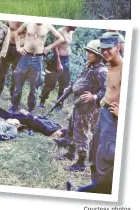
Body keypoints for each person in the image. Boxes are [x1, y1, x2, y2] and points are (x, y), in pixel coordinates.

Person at [53, 40, 108, 172]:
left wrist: (94, 97)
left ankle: (81, 163)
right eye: (88, 51)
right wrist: (71, 87)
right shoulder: (89, 66)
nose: (87, 54)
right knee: (72, 129)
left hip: (87, 108)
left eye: (91, 52)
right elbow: (81, 80)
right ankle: (70, 153)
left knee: (81, 134)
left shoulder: (102, 71)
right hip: (79, 104)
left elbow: (107, 90)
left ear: (99, 55)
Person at [88, 33, 123, 194]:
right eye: (103, 49)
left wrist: (122, 112)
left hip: (113, 117)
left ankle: (103, 193)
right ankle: (95, 186)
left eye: (109, 48)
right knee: (94, 150)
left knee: (106, 156)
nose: (105, 52)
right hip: (104, 113)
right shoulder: (110, 67)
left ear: (118, 47)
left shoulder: (126, 69)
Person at [10, 23, 64, 113]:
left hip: (38, 58)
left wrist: (48, 47)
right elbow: (17, 33)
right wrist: (18, 47)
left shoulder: (48, 26)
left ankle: (30, 109)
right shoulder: (28, 23)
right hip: (25, 56)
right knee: (19, 82)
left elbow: (60, 38)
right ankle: (14, 106)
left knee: (34, 85)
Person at [0, 98, 64, 137]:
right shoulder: (49, 130)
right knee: (5, 117)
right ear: (60, 131)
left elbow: (43, 119)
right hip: (26, 120)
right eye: (58, 135)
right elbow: (36, 122)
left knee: (6, 115)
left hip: (27, 119)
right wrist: (28, 115)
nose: (55, 137)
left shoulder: (56, 126)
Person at [39, 26, 77, 110]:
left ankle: (59, 105)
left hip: (66, 60)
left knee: (64, 84)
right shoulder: (60, 31)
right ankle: (42, 102)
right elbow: (55, 48)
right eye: (76, 25)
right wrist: (58, 63)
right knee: (50, 83)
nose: (77, 27)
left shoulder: (71, 31)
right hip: (57, 60)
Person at [0, 21, 25, 97]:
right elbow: (3, 30)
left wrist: (24, 47)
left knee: (16, 73)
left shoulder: (28, 23)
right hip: (7, 47)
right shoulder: (10, 19)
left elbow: (30, 36)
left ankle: (12, 94)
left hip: (20, 50)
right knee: (2, 71)